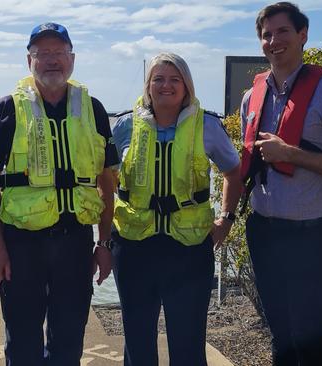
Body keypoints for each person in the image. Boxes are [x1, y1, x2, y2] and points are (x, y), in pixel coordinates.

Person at [0, 22, 119, 365]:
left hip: (74, 244)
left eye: (59, 52)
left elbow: (106, 183)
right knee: (22, 341)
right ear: (29, 61)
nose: (52, 60)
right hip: (20, 245)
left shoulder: (94, 110)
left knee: (68, 341)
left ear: (72, 59)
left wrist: (103, 244)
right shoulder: (5, 110)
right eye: (43, 54)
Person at [240, 3, 322, 365]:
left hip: (315, 236)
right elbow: (246, 164)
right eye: (266, 34)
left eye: (282, 32)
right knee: (280, 338)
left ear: (302, 35)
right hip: (264, 233)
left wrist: (292, 154)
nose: (273, 41)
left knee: (311, 343)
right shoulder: (252, 97)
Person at [111, 52, 242, 366]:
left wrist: (226, 218)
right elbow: (106, 179)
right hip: (133, 245)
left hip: (189, 247)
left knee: (187, 343)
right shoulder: (126, 125)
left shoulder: (207, 125)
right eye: (158, 79)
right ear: (148, 85)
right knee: (138, 340)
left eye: (174, 79)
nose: (165, 85)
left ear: (186, 86)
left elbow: (234, 173)